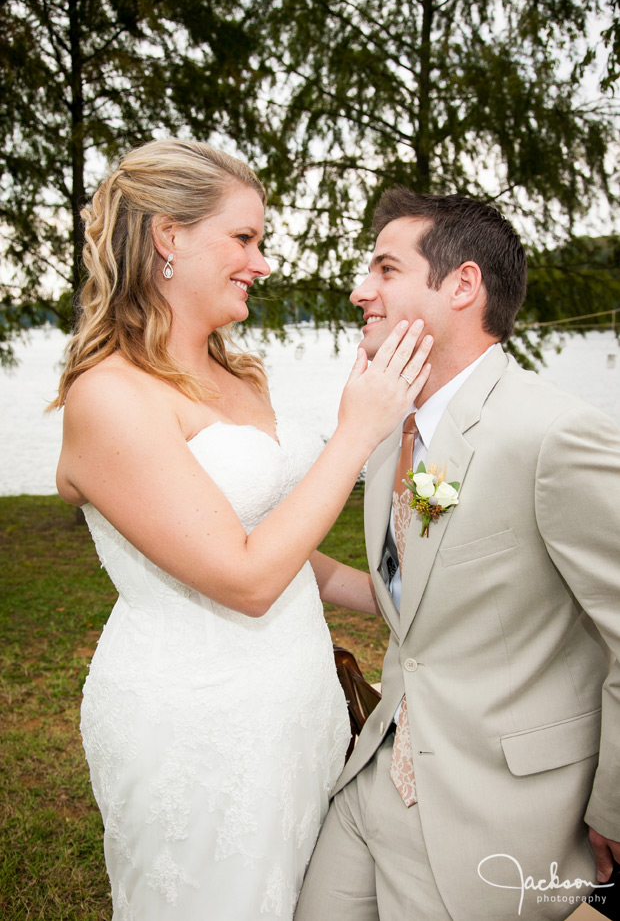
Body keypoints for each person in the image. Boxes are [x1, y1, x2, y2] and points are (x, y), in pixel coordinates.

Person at [51, 141, 433, 921]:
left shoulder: (240, 376)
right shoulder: (111, 398)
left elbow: (283, 549)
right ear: (169, 237)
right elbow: (247, 576)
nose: (261, 263)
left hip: (295, 703)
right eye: (244, 238)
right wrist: (356, 436)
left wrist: (404, 598)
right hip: (196, 723)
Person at [295, 188, 620, 921]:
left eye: (384, 269)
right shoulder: (388, 430)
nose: (359, 290)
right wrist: (288, 563)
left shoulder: (554, 434)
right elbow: (418, 599)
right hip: (374, 774)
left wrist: (615, 808)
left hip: (497, 810)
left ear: (462, 285)